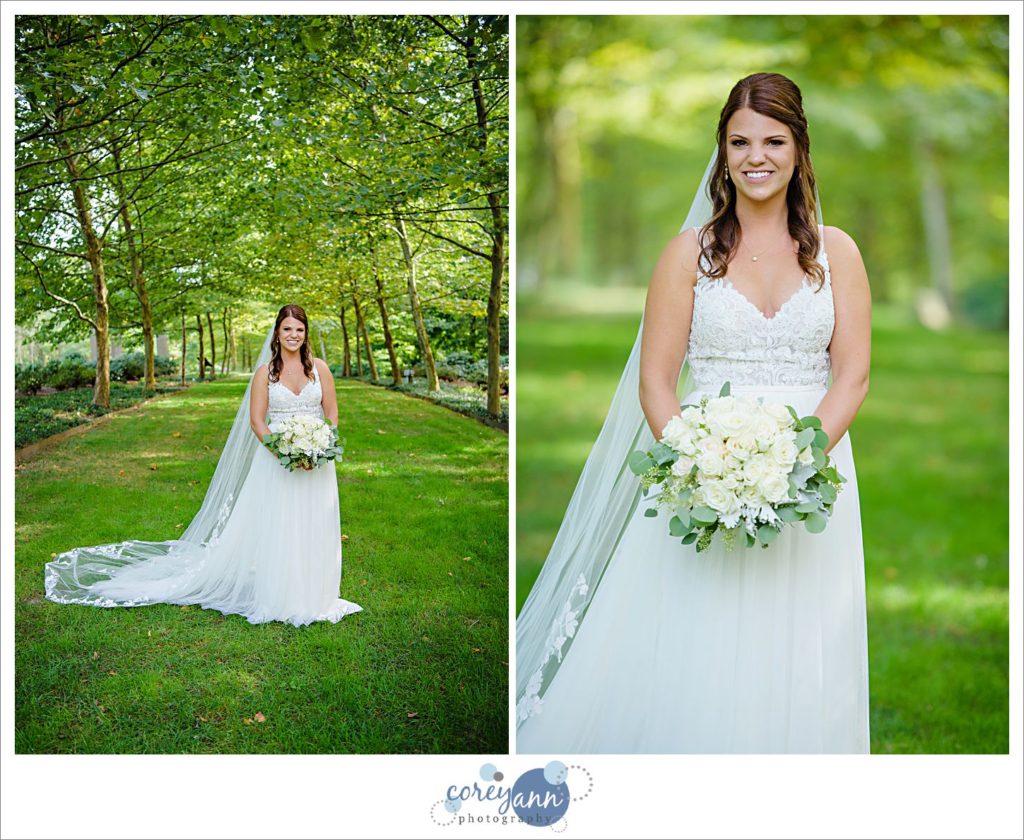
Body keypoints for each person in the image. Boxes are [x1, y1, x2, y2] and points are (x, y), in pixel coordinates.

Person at [516, 72, 871, 753]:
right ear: (722, 151)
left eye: (773, 141)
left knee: (795, 629)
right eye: (739, 142)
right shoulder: (689, 253)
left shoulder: (839, 253)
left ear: (799, 149)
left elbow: (852, 374)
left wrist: (795, 466)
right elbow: (655, 380)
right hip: (702, 466)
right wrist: (700, 466)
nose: (755, 157)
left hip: (816, 467)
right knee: (695, 628)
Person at [44, 304, 363, 627]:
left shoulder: (320, 369)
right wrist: (286, 453)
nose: (293, 335)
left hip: (317, 462)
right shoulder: (265, 374)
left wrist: (318, 448)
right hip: (277, 462)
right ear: (277, 334)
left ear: (305, 334)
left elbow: (332, 414)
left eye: (299, 329)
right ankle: (283, 595)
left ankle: (317, 594)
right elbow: (257, 422)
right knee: (281, 525)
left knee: (315, 522)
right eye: (287, 329)